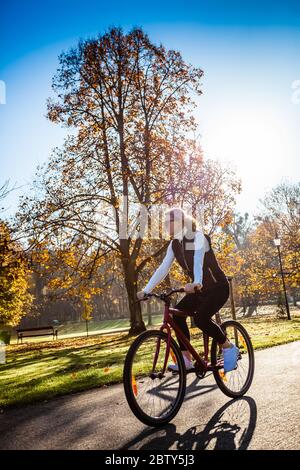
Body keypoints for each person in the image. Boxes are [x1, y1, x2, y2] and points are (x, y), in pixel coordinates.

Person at [137, 207, 239, 373]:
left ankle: (228, 347)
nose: (164, 226)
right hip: (200, 290)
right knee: (176, 316)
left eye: (166, 222)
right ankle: (186, 360)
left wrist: (197, 282)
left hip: (217, 287)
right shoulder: (174, 244)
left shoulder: (198, 237)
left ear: (178, 221)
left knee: (201, 319)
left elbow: (198, 260)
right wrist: (146, 290)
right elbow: (163, 268)